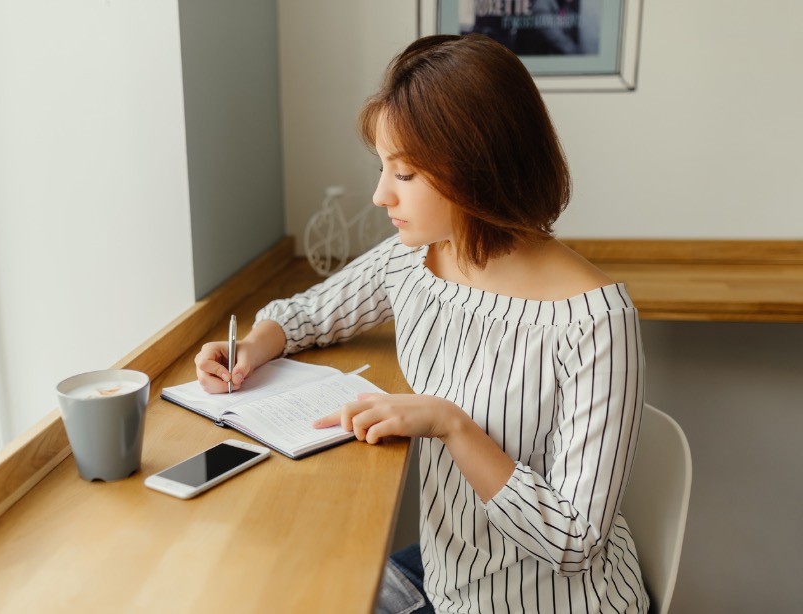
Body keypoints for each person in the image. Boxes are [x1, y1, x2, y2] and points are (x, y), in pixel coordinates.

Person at [195, 34, 647, 614]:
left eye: (403, 173)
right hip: (448, 577)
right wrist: (253, 346)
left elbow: (575, 539)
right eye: (383, 167)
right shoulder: (419, 257)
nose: (380, 194)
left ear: (476, 171)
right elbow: (311, 313)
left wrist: (452, 425)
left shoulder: (597, 322)